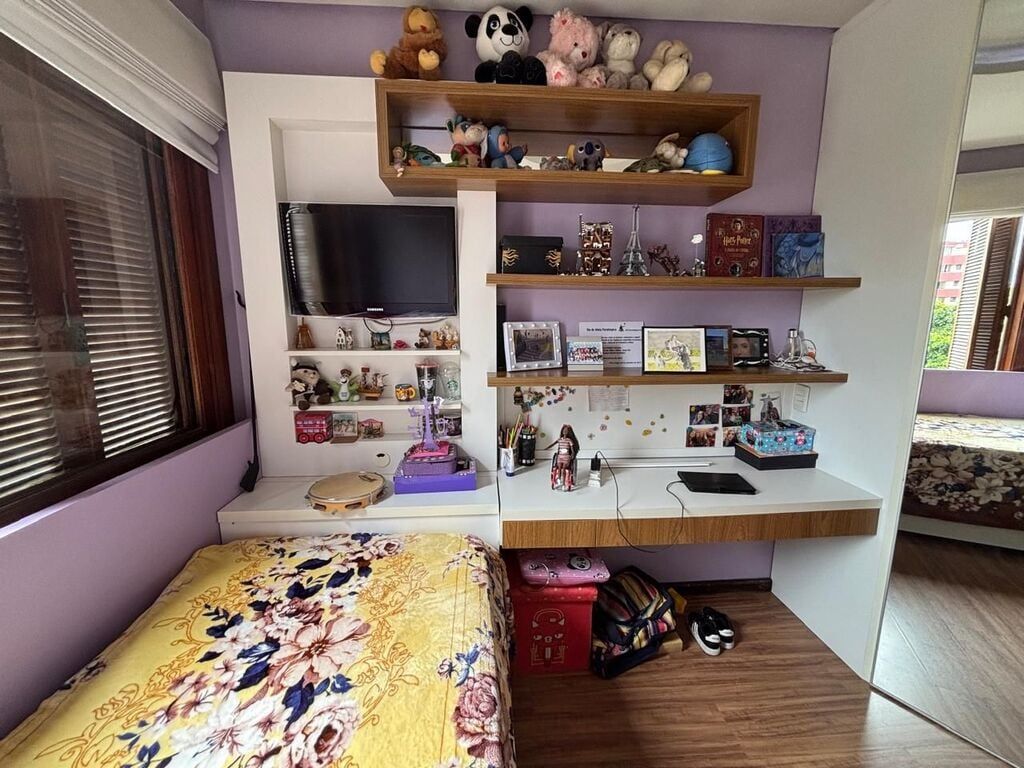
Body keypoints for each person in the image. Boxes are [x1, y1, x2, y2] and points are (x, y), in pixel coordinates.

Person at [546, 424, 580, 491]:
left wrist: (573, 454)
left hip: (566, 457)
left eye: (566, 431)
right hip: (560, 456)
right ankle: (559, 479)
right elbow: (553, 444)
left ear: (568, 432)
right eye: (564, 430)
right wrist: (547, 448)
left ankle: (564, 484)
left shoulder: (569, 440)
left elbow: (572, 449)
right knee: (559, 467)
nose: (564, 432)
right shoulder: (560, 439)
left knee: (564, 468)